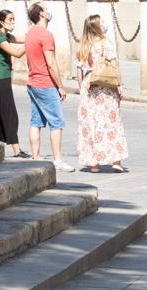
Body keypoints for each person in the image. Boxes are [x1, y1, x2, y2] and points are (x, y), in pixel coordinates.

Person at [24, 2, 74, 172]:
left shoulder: (29, 33)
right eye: (45, 9)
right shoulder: (45, 35)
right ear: (42, 14)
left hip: (32, 82)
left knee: (36, 121)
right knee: (57, 122)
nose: (48, 11)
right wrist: (60, 86)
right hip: (45, 83)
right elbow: (51, 63)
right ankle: (58, 160)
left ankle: (35, 157)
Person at [75, 15, 128, 173]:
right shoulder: (106, 44)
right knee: (111, 122)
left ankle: (94, 164)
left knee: (91, 123)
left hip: (89, 84)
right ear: (97, 26)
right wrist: (119, 85)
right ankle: (116, 161)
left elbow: (79, 71)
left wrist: (82, 88)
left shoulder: (83, 46)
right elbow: (115, 65)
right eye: (102, 22)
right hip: (106, 85)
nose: (104, 24)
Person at [0, 10, 30, 158]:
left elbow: (22, 38)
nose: (13, 22)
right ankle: (17, 150)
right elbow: (17, 53)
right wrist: (31, 41)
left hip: (0, 79)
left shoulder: (5, 35)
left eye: (14, 19)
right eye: (10, 19)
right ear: (1, 22)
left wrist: (34, 32)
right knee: (10, 114)